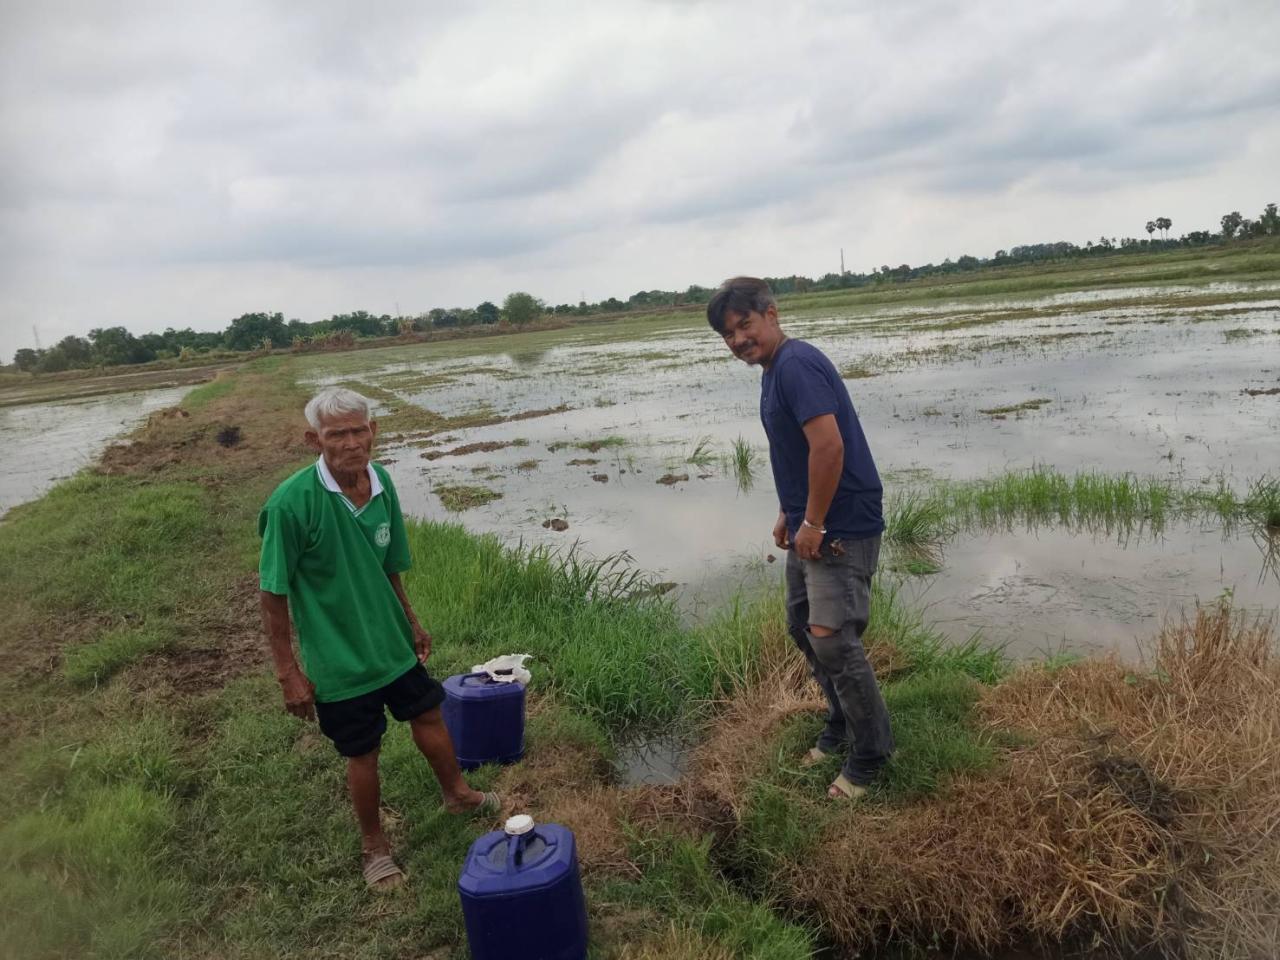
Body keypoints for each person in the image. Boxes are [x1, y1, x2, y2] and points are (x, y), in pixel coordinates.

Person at [258, 386, 497, 890]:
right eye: (335, 434)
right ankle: (374, 848)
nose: (350, 442)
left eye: (357, 430)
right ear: (313, 440)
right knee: (362, 751)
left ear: (374, 431)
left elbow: (388, 565)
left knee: (427, 712)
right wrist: (288, 672)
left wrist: (410, 619)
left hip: (391, 641)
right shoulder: (290, 505)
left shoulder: (381, 482)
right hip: (339, 657)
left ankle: (457, 794)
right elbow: (273, 593)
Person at [708, 277, 894, 800]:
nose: (739, 339)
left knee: (833, 639)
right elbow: (800, 452)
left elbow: (829, 447)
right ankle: (840, 725)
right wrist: (790, 514)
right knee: (801, 626)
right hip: (812, 521)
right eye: (728, 334)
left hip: (842, 523)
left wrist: (813, 522)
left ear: (771, 313)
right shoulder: (773, 371)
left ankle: (872, 754)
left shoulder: (796, 364)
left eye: (745, 324)